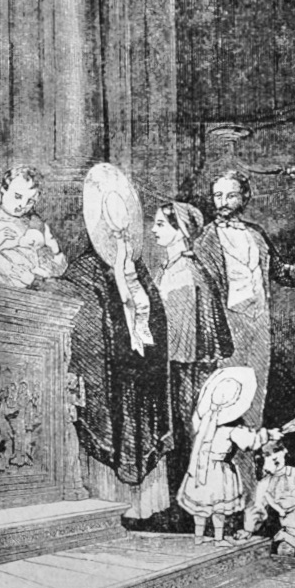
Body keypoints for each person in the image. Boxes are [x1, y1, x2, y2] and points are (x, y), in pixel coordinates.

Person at [64, 163, 171, 521]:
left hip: (140, 374)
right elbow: (87, 328)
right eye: (112, 222)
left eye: (124, 222)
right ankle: (109, 506)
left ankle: (142, 509)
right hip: (110, 375)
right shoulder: (84, 271)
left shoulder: (139, 269)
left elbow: (155, 318)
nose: (120, 231)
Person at [193, 170, 295, 432]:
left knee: (257, 384)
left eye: (230, 195)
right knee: (229, 389)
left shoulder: (256, 233)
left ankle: (252, 445)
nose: (223, 202)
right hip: (228, 321)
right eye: (218, 195)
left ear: (245, 197)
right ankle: (224, 450)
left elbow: (277, 269)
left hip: (259, 319)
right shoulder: (205, 240)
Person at [150, 201, 233, 503]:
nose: (153, 229)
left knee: (190, 429)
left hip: (185, 367)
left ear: (181, 230)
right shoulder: (170, 267)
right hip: (173, 365)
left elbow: (181, 335)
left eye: (161, 224)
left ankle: (194, 499)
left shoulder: (187, 272)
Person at [177, 366, 266, 543]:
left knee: (201, 505)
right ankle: (218, 539)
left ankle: (199, 537)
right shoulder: (230, 429)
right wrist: (268, 435)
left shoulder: (203, 421)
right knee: (218, 508)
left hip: (200, 469)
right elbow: (251, 442)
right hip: (220, 471)